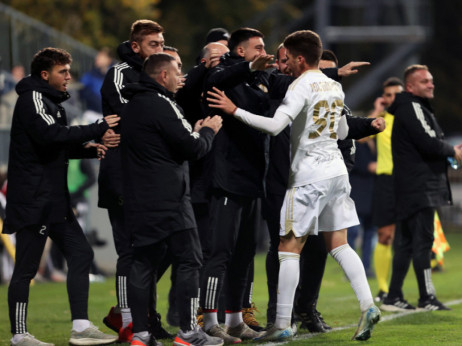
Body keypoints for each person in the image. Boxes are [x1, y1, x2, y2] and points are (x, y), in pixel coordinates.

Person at [207, 30, 381, 342]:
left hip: (308, 175)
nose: (283, 64)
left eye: (287, 58)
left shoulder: (300, 86)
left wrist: (235, 111)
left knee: (288, 247)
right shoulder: (333, 86)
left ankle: (283, 323)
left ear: (300, 58)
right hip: (337, 173)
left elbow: (275, 126)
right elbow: (342, 132)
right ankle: (368, 304)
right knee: (339, 244)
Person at [3, 47, 120, 346]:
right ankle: (19, 335)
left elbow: (53, 143)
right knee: (27, 267)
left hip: (52, 197)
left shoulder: (51, 101)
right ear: (45, 75)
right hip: (34, 198)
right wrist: (99, 126)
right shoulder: (33, 99)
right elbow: (50, 136)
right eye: (63, 71)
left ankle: (80, 327)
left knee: (81, 253)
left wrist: (88, 147)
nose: (69, 76)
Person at [120, 53, 223, 346]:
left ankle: (140, 334)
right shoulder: (163, 103)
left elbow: (162, 147)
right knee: (190, 260)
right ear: (163, 75)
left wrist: (191, 133)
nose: (182, 76)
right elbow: (193, 148)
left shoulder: (132, 106)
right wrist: (207, 131)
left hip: (139, 199)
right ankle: (189, 332)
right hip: (171, 199)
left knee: (142, 263)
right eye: (178, 70)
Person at [199, 27, 275, 343]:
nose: (263, 51)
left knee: (244, 253)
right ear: (240, 51)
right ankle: (208, 321)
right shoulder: (224, 74)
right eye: (257, 46)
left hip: (251, 178)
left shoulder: (260, 79)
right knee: (220, 253)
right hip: (227, 178)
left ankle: (234, 320)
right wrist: (246, 69)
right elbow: (213, 83)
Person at [99, 19, 170, 341]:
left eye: (161, 43)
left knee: (160, 248)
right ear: (137, 46)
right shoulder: (119, 74)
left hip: (150, 176)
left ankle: (138, 314)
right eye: (153, 44)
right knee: (130, 251)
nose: (160, 48)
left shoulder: (156, 75)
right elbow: (134, 119)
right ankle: (130, 321)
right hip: (122, 175)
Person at [381, 64, 462, 311]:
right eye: (425, 81)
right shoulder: (412, 107)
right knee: (422, 242)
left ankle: (394, 295)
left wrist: (448, 152)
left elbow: (428, 142)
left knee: (406, 243)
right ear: (411, 86)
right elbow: (429, 142)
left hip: (413, 185)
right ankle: (426, 297)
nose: (431, 84)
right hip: (420, 186)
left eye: (431, 80)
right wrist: (453, 151)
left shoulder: (414, 107)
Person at [368, 77, 404, 302]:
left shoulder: (410, 119)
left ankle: (423, 291)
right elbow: (361, 136)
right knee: (385, 236)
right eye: (387, 95)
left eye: (395, 95)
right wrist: (375, 110)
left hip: (408, 182)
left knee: (413, 238)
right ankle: (384, 289)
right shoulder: (381, 120)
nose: (391, 99)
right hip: (385, 182)